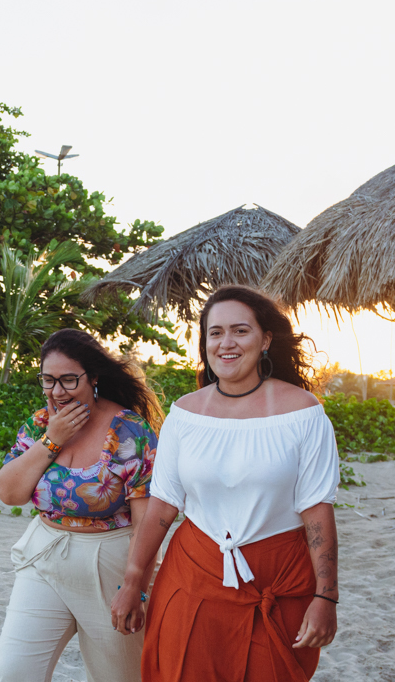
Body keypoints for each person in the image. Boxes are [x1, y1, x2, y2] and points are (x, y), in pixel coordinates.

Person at [111, 285, 340, 681]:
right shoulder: (185, 413)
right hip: (192, 575)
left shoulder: (304, 413)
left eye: (240, 330)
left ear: (266, 339)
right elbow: (163, 506)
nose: (226, 343)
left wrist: (326, 596)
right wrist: (133, 582)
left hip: (279, 581)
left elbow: (317, 510)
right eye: (215, 333)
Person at [0, 328, 164, 682]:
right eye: (48, 380)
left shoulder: (130, 432)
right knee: (13, 673)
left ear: (93, 378)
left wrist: (136, 587)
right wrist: (52, 440)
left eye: (69, 380)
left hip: (110, 566)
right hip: (44, 556)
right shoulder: (41, 425)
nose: (57, 391)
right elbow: (10, 494)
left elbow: (147, 521)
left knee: (119, 678)